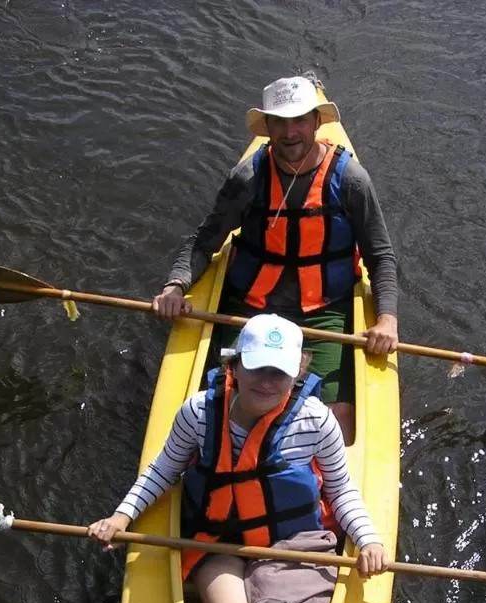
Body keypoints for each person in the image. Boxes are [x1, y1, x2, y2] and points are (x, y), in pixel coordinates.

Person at [86, 314, 389, 603]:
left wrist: (368, 540)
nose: (267, 382)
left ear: (297, 373)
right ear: (235, 365)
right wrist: (122, 516)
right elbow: (163, 469)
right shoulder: (198, 412)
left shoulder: (317, 420)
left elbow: (341, 490)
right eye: (257, 367)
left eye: (279, 372)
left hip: (291, 542)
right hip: (219, 538)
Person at [150, 74, 400, 442]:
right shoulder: (247, 178)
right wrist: (175, 286)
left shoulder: (351, 180)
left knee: (335, 420)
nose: (290, 132)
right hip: (250, 307)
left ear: (316, 122)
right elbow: (204, 241)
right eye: (280, 122)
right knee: (223, 404)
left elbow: (380, 256)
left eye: (299, 120)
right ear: (267, 127)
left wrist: (387, 320)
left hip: (323, 312)